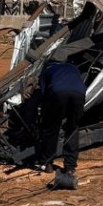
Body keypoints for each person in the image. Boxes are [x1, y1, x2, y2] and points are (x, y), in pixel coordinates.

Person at [37, 61, 86, 190]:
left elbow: (43, 94)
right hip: (79, 94)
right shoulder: (73, 67)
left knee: (52, 128)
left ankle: (48, 163)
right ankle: (70, 167)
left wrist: (44, 114)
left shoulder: (46, 71)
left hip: (57, 93)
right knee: (73, 128)